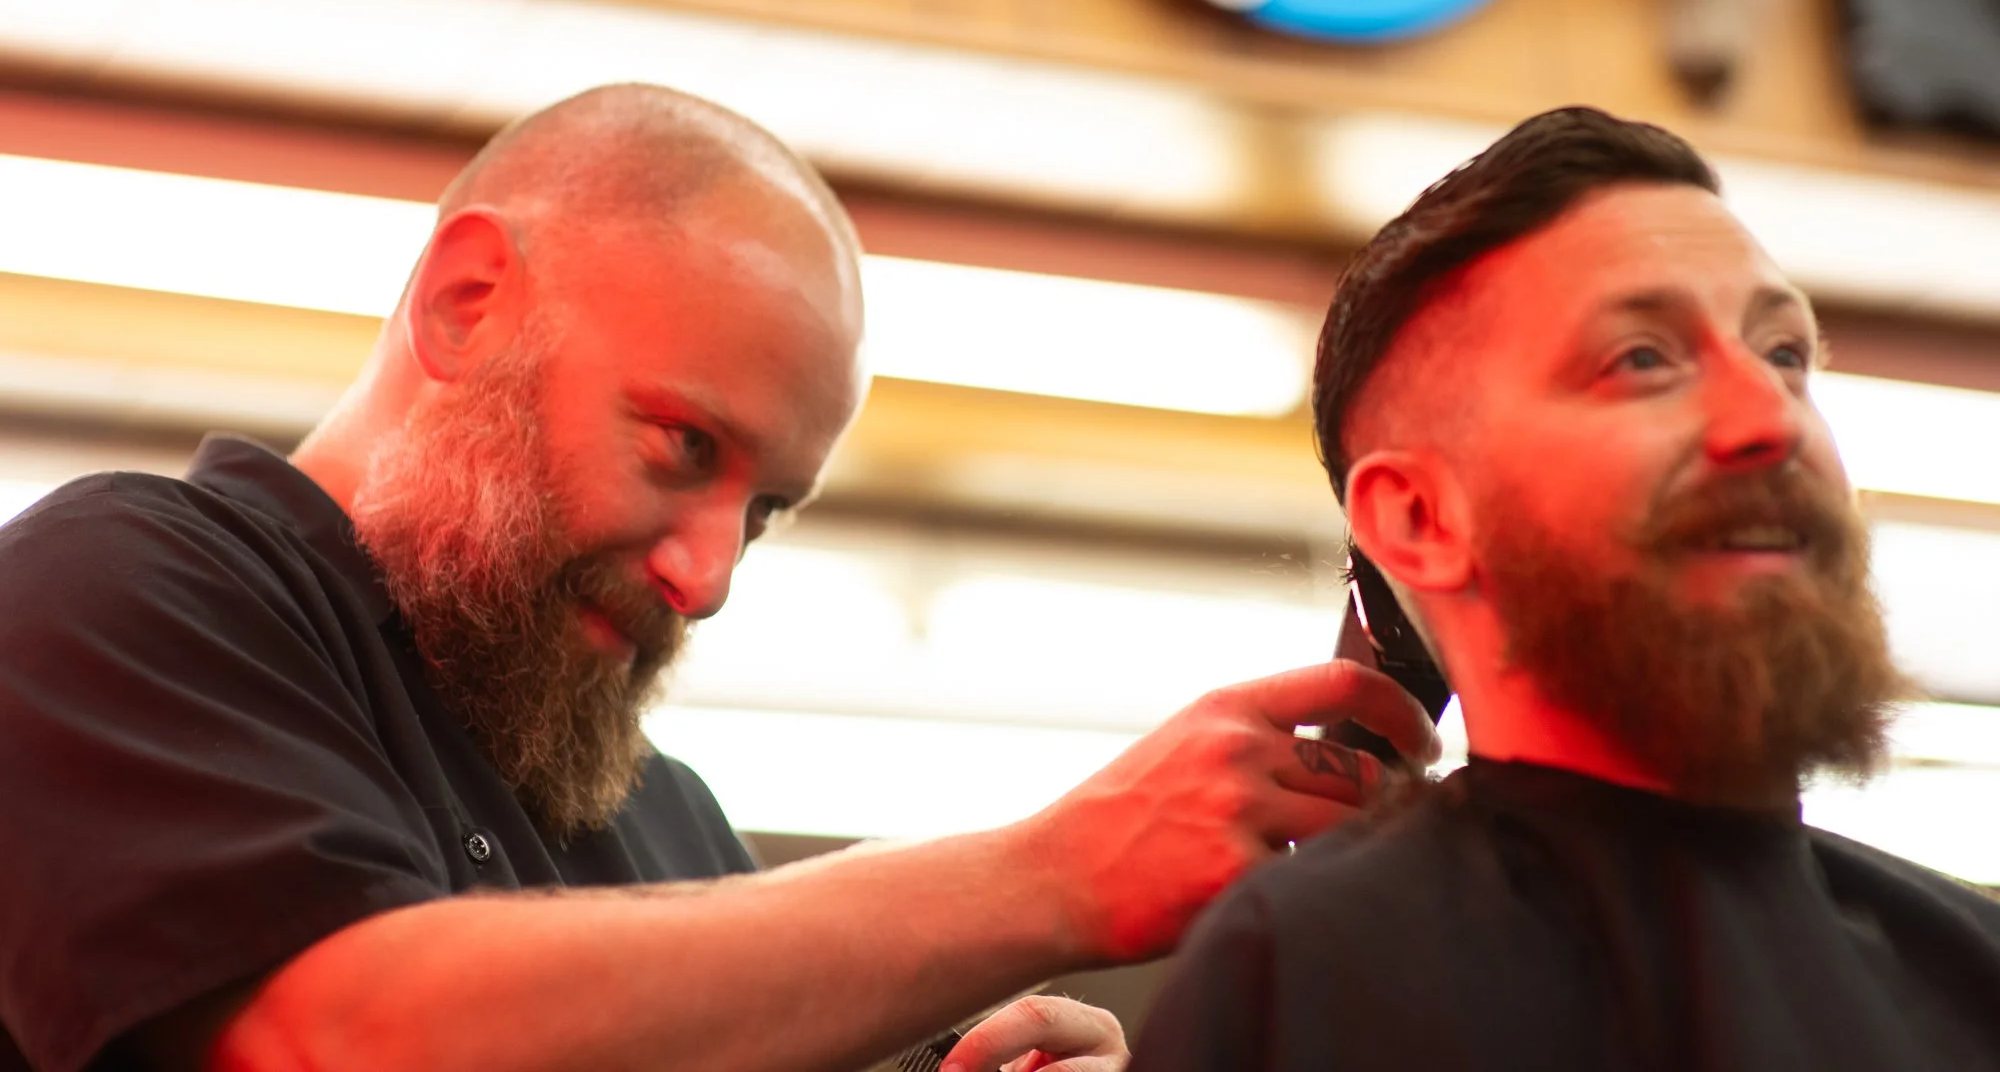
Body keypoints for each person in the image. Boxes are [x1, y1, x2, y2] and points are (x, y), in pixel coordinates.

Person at [0, 84, 1440, 1072]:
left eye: (763, 515)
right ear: (466, 304)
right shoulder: (124, 589)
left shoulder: (663, 817)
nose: (706, 578)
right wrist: (1047, 871)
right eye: (684, 444)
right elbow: (345, 1034)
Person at [1130, 107, 2000, 1071]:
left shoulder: (1976, 972)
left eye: (1784, 354)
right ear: (1422, 518)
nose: (1772, 418)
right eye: (1641, 359)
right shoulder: (1312, 980)